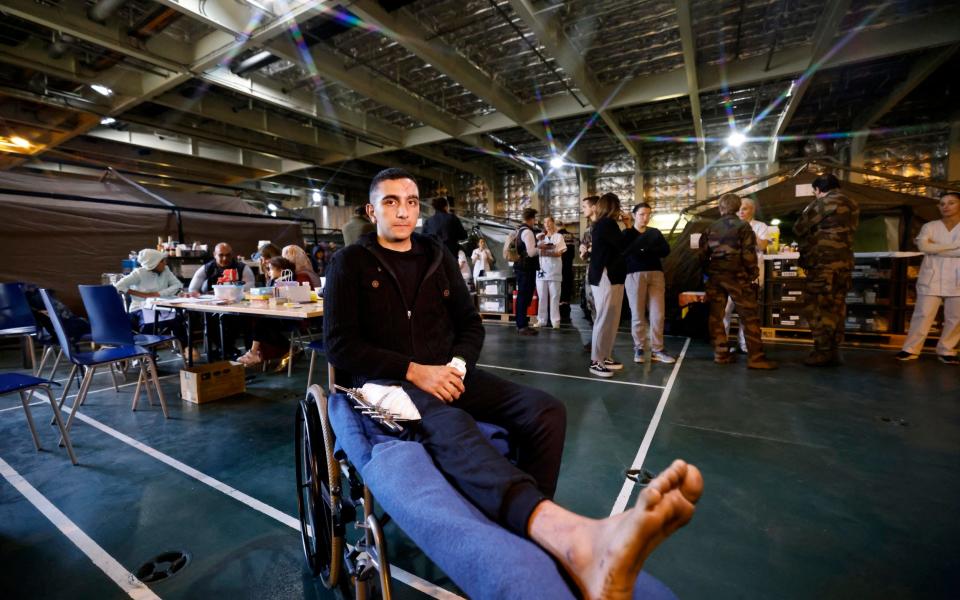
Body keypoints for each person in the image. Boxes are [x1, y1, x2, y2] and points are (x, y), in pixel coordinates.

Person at [323, 167, 703, 600]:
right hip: (387, 384)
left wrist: (458, 367)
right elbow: (339, 346)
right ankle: (563, 533)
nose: (403, 211)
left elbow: (470, 325)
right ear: (373, 210)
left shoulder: (436, 256)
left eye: (411, 202)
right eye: (391, 202)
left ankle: (533, 528)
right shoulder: (349, 262)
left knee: (546, 411)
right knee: (452, 425)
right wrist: (414, 371)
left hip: (449, 373)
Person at [699, 194, 778, 370]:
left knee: (717, 317)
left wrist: (709, 274)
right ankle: (756, 358)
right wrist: (752, 273)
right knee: (749, 316)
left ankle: (721, 354)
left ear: (720, 208)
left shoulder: (710, 227)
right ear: (736, 208)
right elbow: (749, 255)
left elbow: (702, 255)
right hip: (738, 277)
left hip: (716, 278)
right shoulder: (744, 227)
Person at [794, 174, 860, 366]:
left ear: (817, 189)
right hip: (844, 263)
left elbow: (799, 227)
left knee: (816, 306)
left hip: (823, 264)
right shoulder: (853, 204)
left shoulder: (822, 203)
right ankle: (835, 350)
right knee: (837, 306)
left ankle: (822, 351)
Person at [896, 191, 960, 364]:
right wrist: (955, 247)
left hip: (957, 278)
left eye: (951, 203)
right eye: (942, 203)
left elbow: (931, 247)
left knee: (955, 317)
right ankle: (910, 349)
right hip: (932, 276)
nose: (945, 206)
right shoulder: (930, 226)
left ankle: (947, 350)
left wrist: (937, 247)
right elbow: (924, 247)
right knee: (922, 314)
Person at [114, 248, 191, 358]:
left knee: (179, 319)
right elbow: (118, 286)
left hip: (162, 307)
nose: (165, 263)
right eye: (162, 261)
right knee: (148, 323)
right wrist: (141, 295)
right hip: (140, 308)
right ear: (153, 264)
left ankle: (186, 350)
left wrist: (158, 294)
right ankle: (149, 356)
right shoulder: (139, 273)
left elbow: (177, 285)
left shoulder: (166, 270)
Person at [623, 203, 674, 364]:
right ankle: (639, 347)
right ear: (634, 215)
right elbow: (627, 252)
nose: (645, 217)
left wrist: (643, 250)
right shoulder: (627, 233)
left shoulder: (655, 232)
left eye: (648, 214)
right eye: (642, 214)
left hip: (656, 274)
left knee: (658, 314)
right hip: (634, 274)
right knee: (637, 314)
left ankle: (657, 349)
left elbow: (665, 251)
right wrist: (646, 249)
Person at [237, 257, 309, 367]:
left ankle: (255, 352)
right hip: (275, 316)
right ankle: (258, 352)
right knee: (256, 321)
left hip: (289, 317)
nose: (269, 272)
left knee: (261, 324)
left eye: (271, 269)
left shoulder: (290, 282)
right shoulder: (273, 281)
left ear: (280, 270)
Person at [723, 197, 771, 354]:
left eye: (745, 209)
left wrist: (747, 229)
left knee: (747, 312)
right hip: (732, 276)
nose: (741, 212)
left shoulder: (760, 226)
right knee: (726, 310)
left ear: (752, 210)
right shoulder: (730, 226)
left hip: (751, 276)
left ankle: (744, 344)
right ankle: (723, 343)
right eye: (739, 209)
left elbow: (763, 245)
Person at [587, 193, 628, 377]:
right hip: (605, 276)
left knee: (611, 319)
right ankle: (596, 361)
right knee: (604, 319)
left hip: (614, 276)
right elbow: (624, 246)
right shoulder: (606, 224)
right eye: (618, 206)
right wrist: (629, 227)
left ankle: (605, 356)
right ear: (613, 207)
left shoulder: (606, 225)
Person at [514, 207, 541, 336]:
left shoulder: (519, 230)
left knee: (522, 296)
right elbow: (531, 253)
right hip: (526, 268)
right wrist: (541, 247)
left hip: (520, 267)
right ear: (531, 219)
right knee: (524, 297)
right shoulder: (528, 232)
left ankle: (521, 324)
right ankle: (522, 325)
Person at [535, 216, 566, 329]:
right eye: (545, 222)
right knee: (542, 296)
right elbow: (535, 251)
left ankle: (555, 321)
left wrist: (547, 252)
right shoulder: (540, 237)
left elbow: (559, 252)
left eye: (549, 221)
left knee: (554, 296)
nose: (547, 224)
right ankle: (541, 320)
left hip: (554, 270)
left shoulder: (559, 237)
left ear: (553, 223)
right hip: (541, 270)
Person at [187, 242, 255, 293]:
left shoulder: (243, 268)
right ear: (214, 255)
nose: (225, 258)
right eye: (221, 255)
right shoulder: (207, 268)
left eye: (228, 255)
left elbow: (250, 289)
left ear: (232, 255)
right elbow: (193, 289)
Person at [557, 221, 577, 324]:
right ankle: (567, 311)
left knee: (560, 289)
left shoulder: (557, 236)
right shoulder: (571, 235)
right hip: (569, 267)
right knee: (567, 288)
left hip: (559, 267)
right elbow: (573, 253)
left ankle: (561, 312)